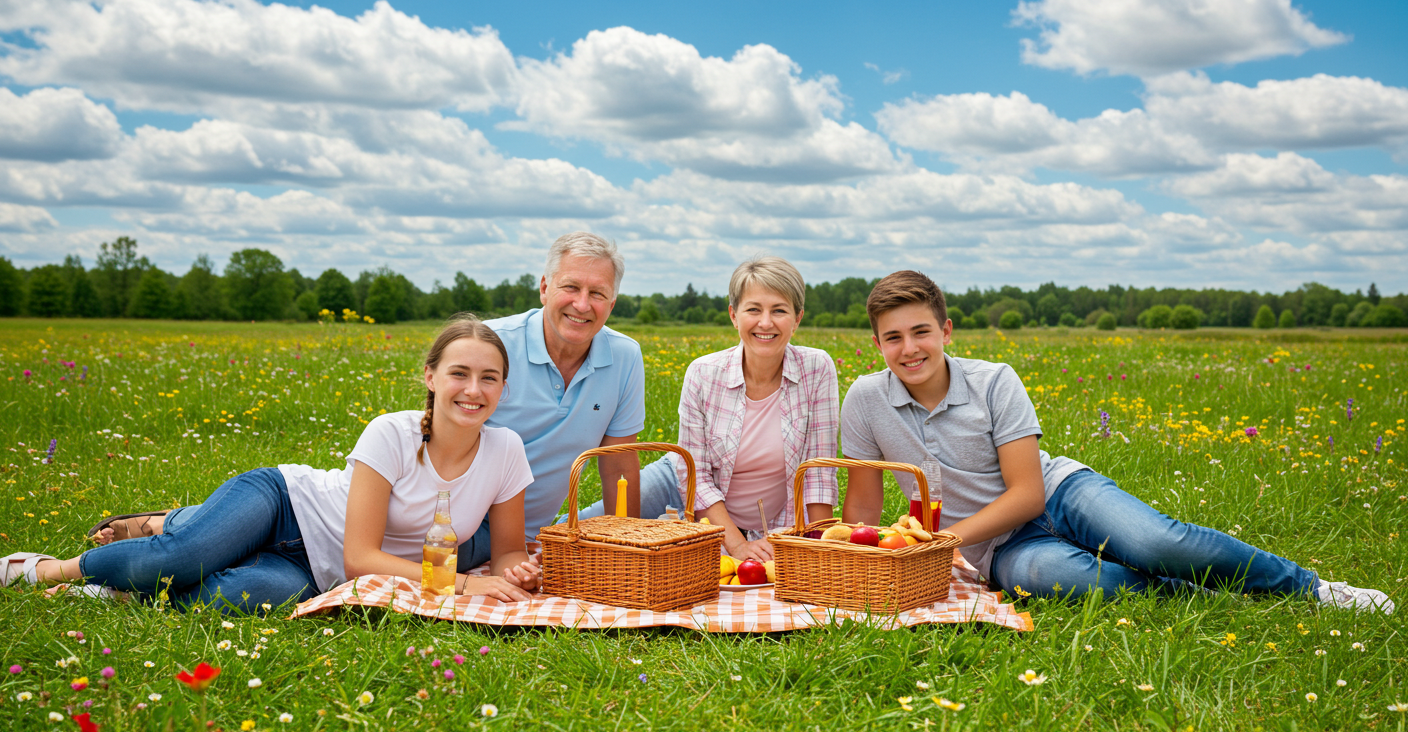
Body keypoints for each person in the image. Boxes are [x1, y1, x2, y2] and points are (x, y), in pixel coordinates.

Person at [88, 231, 648, 574]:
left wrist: (624, 547)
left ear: (613, 302)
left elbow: (619, 463)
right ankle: (176, 526)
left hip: (504, 535)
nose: (582, 303)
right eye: (571, 287)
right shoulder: (491, 349)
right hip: (428, 519)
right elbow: (443, 430)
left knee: (249, 584)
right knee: (204, 549)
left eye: (597, 293)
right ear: (544, 287)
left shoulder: (623, 359)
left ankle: (195, 538)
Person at [839, 270, 1395, 613]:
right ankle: (1198, 594)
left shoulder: (993, 380)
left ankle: (1311, 588)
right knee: (1068, 582)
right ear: (877, 343)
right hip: (1000, 550)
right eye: (893, 338)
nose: (909, 349)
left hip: (1058, 495)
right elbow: (863, 504)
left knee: (1159, 544)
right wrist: (858, 554)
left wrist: (942, 540)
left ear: (946, 331)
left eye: (920, 332)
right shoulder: (865, 400)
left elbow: (1028, 494)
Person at [3, 316, 541, 612]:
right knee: (175, 558)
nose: (473, 390)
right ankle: (51, 568)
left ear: (503, 387)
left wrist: (514, 569)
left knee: (230, 600)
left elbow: (510, 547)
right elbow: (360, 558)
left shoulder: (506, 451)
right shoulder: (392, 433)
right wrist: (463, 585)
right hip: (285, 506)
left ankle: (117, 587)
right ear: (430, 376)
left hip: (311, 570)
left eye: (489, 377)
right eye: (459, 373)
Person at [581, 256, 837, 562]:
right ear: (733, 315)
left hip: (772, 519)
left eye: (779, 310)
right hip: (679, 483)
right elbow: (694, 476)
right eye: (753, 309)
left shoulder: (816, 369)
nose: (765, 322)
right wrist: (738, 547)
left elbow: (818, 474)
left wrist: (816, 547)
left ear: (797, 319)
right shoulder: (703, 373)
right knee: (585, 531)